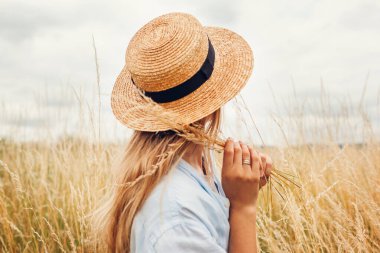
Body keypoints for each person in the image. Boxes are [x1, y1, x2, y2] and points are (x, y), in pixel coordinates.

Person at [95, 12, 272, 253]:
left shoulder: (195, 163)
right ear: (210, 106)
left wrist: (237, 194)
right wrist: (243, 207)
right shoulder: (175, 222)